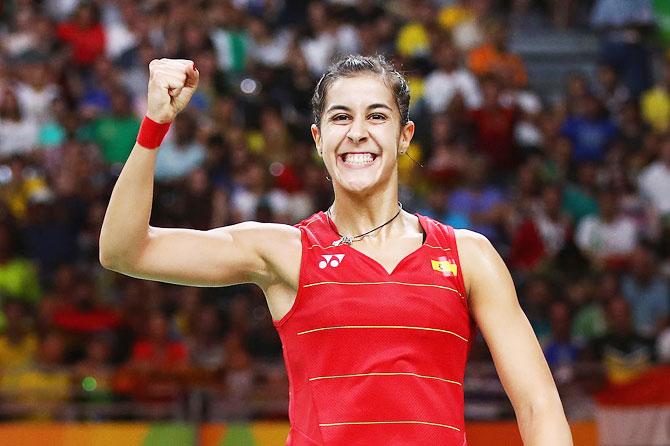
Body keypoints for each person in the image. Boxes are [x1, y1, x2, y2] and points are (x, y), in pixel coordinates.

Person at [100, 55, 572, 445]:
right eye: (340, 117)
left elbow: (538, 404)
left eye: (377, 116)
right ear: (318, 139)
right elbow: (124, 250)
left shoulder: (470, 256)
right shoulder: (284, 251)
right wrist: (154, 126)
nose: (358, 132)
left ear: (405, 136)